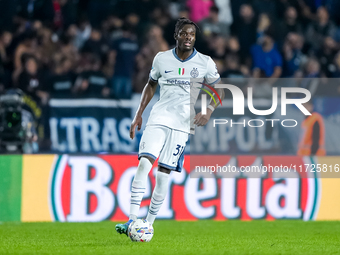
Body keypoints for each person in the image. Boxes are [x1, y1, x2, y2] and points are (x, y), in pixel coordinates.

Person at [115, 17, 224, 236]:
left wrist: (209, 110)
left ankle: (149, 223)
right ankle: (131, 220)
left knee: (163, 174)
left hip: (183, 125)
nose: (188, 37)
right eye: (184, 33)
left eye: (192, 34)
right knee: (144, 164)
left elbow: (219, 89)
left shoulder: (205, 62)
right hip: (159, 118)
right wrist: (139, 114)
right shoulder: (162, 59)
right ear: (176, 35)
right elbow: (151, 84)